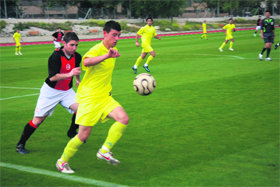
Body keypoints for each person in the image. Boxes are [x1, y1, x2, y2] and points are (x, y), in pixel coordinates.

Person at [56, 20, 129, 174]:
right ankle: (62, 162)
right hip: (90, 99)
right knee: (82, 135)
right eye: (114, 35)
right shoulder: (98, 49)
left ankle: (104, 150)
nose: (116, 38)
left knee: (123, 119)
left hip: (105, 98)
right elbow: (86, 62)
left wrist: (109, 54)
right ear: (105, 34)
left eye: (118, 35)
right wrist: (106, 56)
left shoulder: (111, 50)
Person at [16, 32, 81, 154]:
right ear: (64, 43)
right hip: (51, 91)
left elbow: (76, 70)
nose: (74, 48)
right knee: (38, 120)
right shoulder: (55, 56)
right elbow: (52, 78)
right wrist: (70, 74)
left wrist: (77, 80)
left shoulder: (77, 56)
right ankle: (20, 144)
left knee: (83, 110)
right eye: (72, 45)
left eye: (76, 45)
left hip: (66, 91)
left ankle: (72, 132)